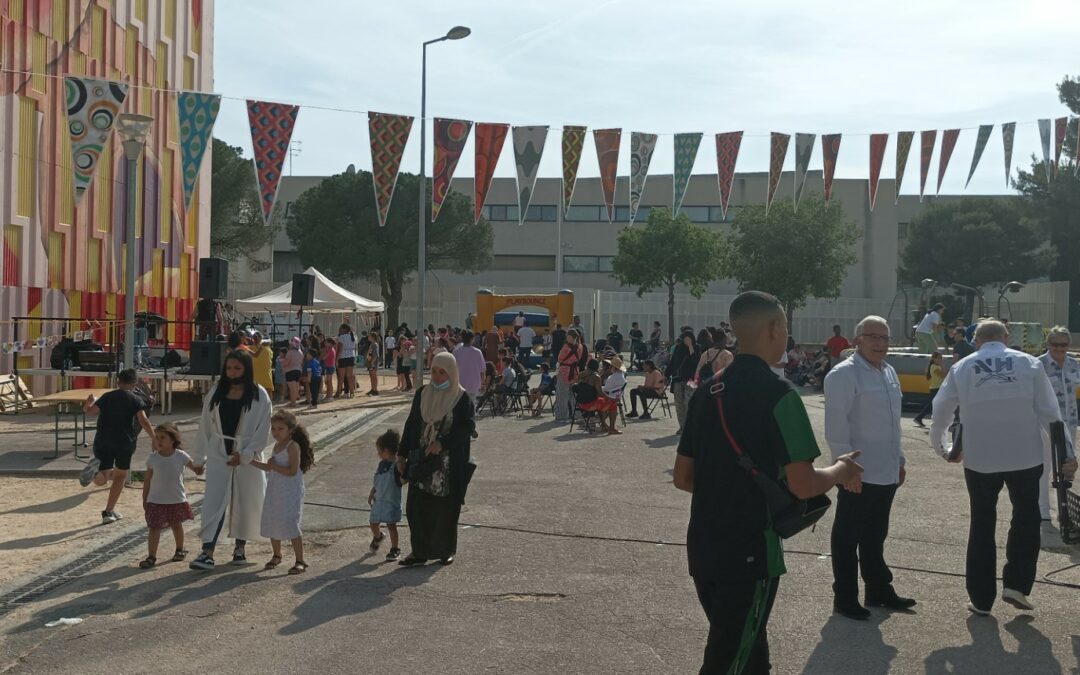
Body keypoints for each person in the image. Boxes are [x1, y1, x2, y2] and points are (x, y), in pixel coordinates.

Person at [673, 290, 864, 674]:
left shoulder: (707, 392)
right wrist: (841, 471)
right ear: (776, 328)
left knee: (749, 653)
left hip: (704, 546)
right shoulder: (779, 394)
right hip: (749, 554)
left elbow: (683, 477)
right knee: (727, 661)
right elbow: (803, 484)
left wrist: (727, 491)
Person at [929, 320, 1062, 614]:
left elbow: (941, 409)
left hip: (980, 459)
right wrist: (1065, 454)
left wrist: (941, 447)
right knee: (1027, 518)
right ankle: (1016, 584)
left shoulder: (963, 368)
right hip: (1026, 456)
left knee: (982, 522)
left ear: (976, 342)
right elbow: (1050, 413)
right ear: (1005, 338)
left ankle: (981, 598)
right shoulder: (1028, 364)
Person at [824, 315, 915, 620]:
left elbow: (892, 425)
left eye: (885, 338)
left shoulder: (888, 372)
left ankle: (878, 590)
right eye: (872, 336)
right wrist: (846, 467)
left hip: (886, 469)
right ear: (857, 340)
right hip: (858, 471)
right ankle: (845, 596)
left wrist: (899, 461)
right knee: (848, 536)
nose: (879, 343)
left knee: (875, 534)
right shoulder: (844, 375)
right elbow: (836, 428)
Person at [189, 350, 272, 571]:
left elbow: (263, 431)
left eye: (237, 368)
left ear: (246, 369)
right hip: (219, 454)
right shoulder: (216, 391)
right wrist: (199, 458)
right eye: (229, 368)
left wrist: (245, 455)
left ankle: (240, 548)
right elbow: (205, 425)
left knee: (245, 500)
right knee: (214, 501)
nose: (232, 372)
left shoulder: (259, 395)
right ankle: (207, 551)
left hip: (247, 457)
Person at [397, 352, 476, 566]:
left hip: (448, 466)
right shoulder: (423, 393)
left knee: (445, 511)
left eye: (442, 372)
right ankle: (419, 552)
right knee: (416, 509)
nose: (438, 377)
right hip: (422, 462)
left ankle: (445, 550)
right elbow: (411, 424)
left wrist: (443, 443)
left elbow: (467, 428)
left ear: (451, 373)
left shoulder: (461, 398)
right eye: (434, 371)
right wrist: (401, 453)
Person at [79, 369, 155, 524]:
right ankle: (108, 511)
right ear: (134, 384)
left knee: (103, 477)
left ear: (118, 382)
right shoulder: (135, 399)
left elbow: (91, 412)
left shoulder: (107, 397)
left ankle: (94, 474)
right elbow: (143, 421)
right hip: (124, 442)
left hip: (103, 441)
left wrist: (87, 405)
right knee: (120, 477)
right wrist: (154, 437)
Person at [251, 409, 313, 575]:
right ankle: (277, 554)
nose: (276, 432)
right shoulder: (277, 446)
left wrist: (273, 466)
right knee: (272, 518)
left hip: (290, 490)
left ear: (290, 430)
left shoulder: (293, 446)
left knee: (290, 521)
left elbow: (292, 471)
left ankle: (300, 560)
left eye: (280, 428)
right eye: (273, 429)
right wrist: (251, 462)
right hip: (275, 488)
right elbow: (270, 467)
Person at [139, 423, 199, 569]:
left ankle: (180, 549)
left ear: (172, 439)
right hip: (155, 500)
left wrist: (203, 463)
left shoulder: (181, 456)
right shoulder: (153, 459)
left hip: (176, 498)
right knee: (154, 528)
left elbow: (197, 469)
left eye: (162, 437)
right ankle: (151, 556)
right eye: (156, 437)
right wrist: (145, 498)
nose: (158, 441)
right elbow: (147, 480)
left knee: (176, 525)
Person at [1037, 326, 1080, 521]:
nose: (1059, 349)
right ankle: (1043, 510)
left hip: (1069, 422)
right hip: (1045, 424)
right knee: (1045, 466)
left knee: (1066, 465)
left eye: (1063, 345)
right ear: (1048, 344)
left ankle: (1064, 509)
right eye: (1055, 344)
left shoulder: (1074, 365)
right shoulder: (1038, 365)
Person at [368, 429, 405, 561]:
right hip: (379, 499)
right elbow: (377, 481)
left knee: (391, 525)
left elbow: (403, 480)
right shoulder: (382, 465)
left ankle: (395, 548)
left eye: (379, 451)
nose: (378, 454)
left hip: (391, 501)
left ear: (387, 450)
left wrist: (403, 473)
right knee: (373, 521)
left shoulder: (397, 465)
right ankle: (378, 536)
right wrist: (372, 492)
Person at [665, 331, 699, 434]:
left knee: (688, 403)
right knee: (679, 404)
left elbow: (695, 361)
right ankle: (682, 427)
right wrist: (666, 374)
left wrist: (690, 346)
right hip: (678, 380)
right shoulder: (678, 348)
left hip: (691, 380)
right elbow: (673, 362)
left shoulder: (697, 348)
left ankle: (690, 427)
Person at [556, 329, 587, 422]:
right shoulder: (580, 347)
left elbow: (560, 359)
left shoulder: (566, 347)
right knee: (573, 395)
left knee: (562, 395)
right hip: (575, 371)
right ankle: (576, 414)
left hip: (565, 371)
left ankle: (562, 416)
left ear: (570, 337)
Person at [452, 330, 486, 404]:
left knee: (459, 405)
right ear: (472, 339)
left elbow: (452, 369)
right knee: (471, 405)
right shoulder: (477, 352)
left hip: (459, 384)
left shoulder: (456, 352)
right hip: (473, 384)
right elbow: (482, 370)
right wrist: (483, 383)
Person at [912, 352, 945, 428]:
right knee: (933, 405)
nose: (941, 359)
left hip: (938, 388)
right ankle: (919, 418)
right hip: (935, 388)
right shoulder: (934, 367)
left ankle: (919, 418)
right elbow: (943, 375)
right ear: (934, 359)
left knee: (934, 405)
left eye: (941, 358)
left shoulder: (937, 366)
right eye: (939, 358)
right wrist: (942, 366)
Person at [250, 333, 274, 401]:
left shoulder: (265, 345)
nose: (255, 339)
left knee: (268, 388)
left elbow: (269, 341)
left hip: (265, 371)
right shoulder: (251, 347)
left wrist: (261, 342)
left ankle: (269, 404)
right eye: (255, 338)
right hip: (256, 372)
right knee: (257, 389)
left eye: (257, 337)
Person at [336, 323, 358, 398]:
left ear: (344, 329)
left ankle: (338, 392)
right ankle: (352, 392)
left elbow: (340, 349)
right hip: (351, 356)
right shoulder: (353, 336)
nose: (340, 330)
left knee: (341, 377)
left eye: (341, 329)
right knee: (350, 376)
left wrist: (337, 359)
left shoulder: (341, 337)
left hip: (343, 357)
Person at [283, 337, 303, 406]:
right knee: (295, 387)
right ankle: (293, 401)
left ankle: (293, 402)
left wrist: (283, 361)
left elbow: (286, 363)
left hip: (290, 371)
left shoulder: (290, 352)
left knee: (292, 388)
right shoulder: (300, 352)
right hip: (298, 371)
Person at [365, 331, 381, 396]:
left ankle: (375, 390)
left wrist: (372, 362)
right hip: (370, 362)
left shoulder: (375, 344)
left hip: (373, 362)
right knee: (371, 376)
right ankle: (372, 389)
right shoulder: (371, 344)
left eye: (369, 336)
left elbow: (376, 355)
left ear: (373, 337)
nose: (368, 337)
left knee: (374, 376)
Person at [321, 337, 337, 402]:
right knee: (327, 382)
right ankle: (328, 395)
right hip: (328, 367)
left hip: (329, 367)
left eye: (326, 342)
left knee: (329, 382)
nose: (325, 343)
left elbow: (324, 358)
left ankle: (330, 396)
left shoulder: (330, 349)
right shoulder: (330, 349)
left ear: (330, 343)